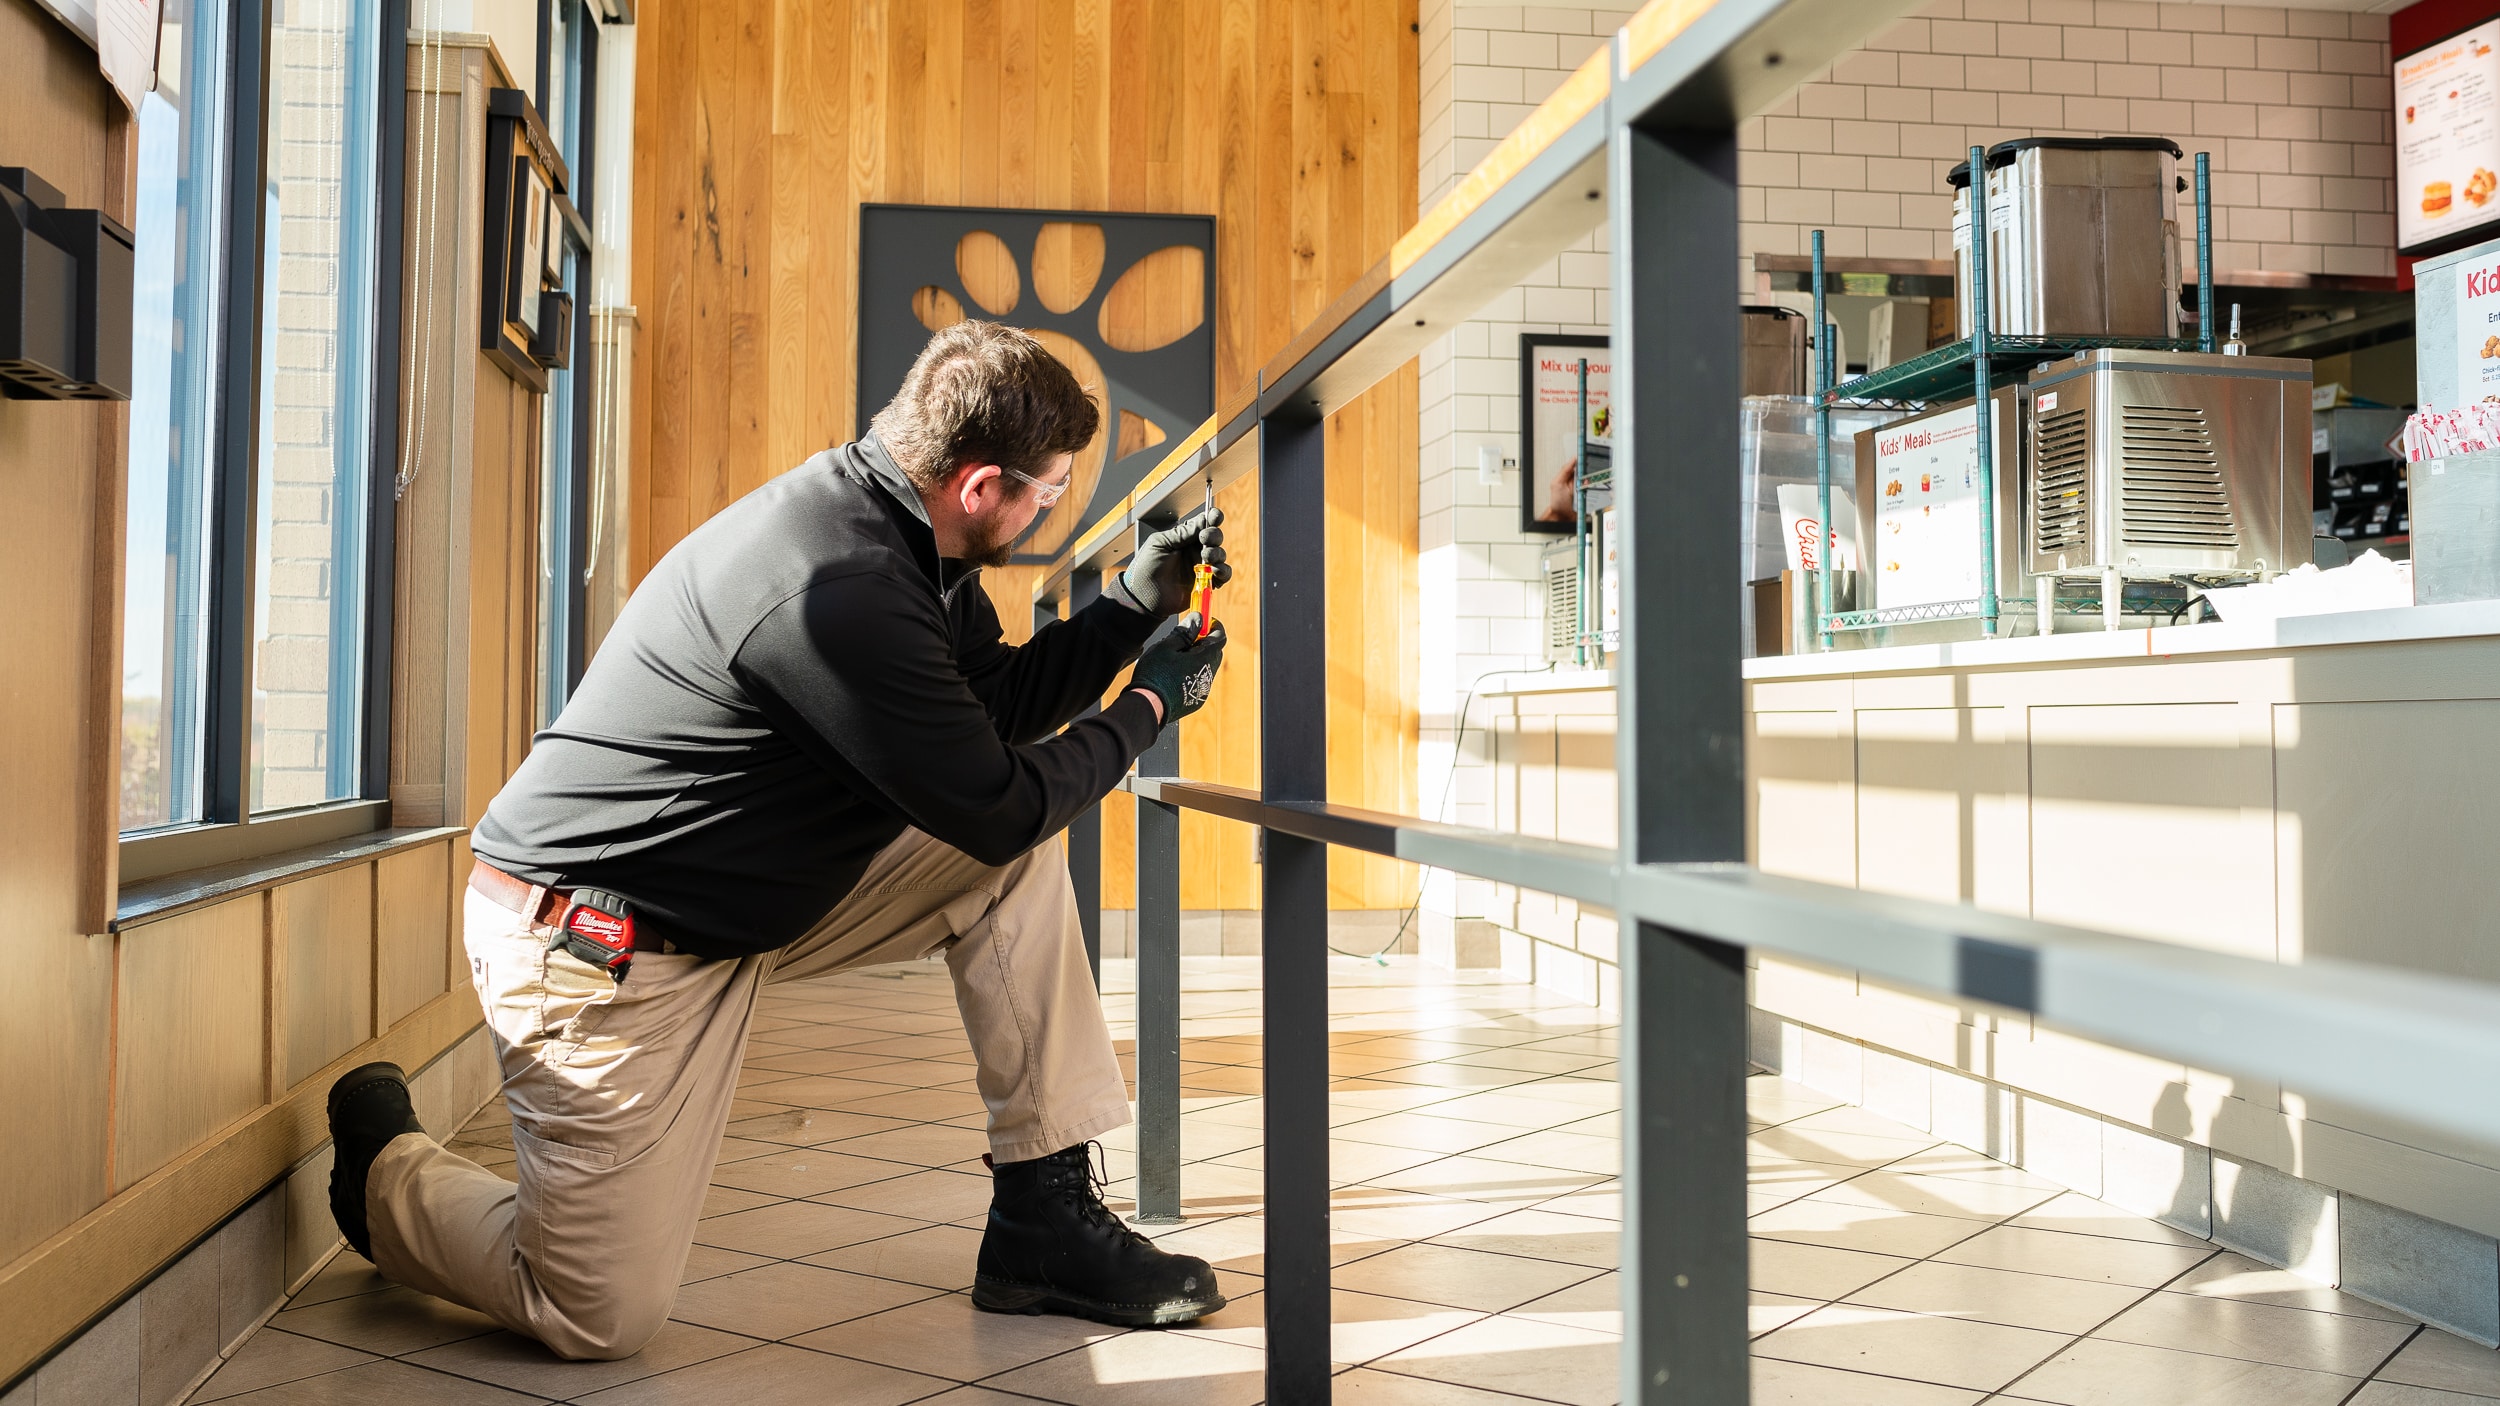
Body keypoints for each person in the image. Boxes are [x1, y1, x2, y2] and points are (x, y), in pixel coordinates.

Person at [321, 320, 1233, 1361]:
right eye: (1050, 491)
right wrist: (1152, 704)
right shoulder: (837, 586)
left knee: (1006, 867)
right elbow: (997, 797)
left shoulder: (906, 535)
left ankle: (1042, 1223)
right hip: (598, 944)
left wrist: (1124, 611)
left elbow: (987, 711)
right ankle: (384, 1173)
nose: (1049, 509)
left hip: (731, 899)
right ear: (981, 487)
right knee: (593, 1310)